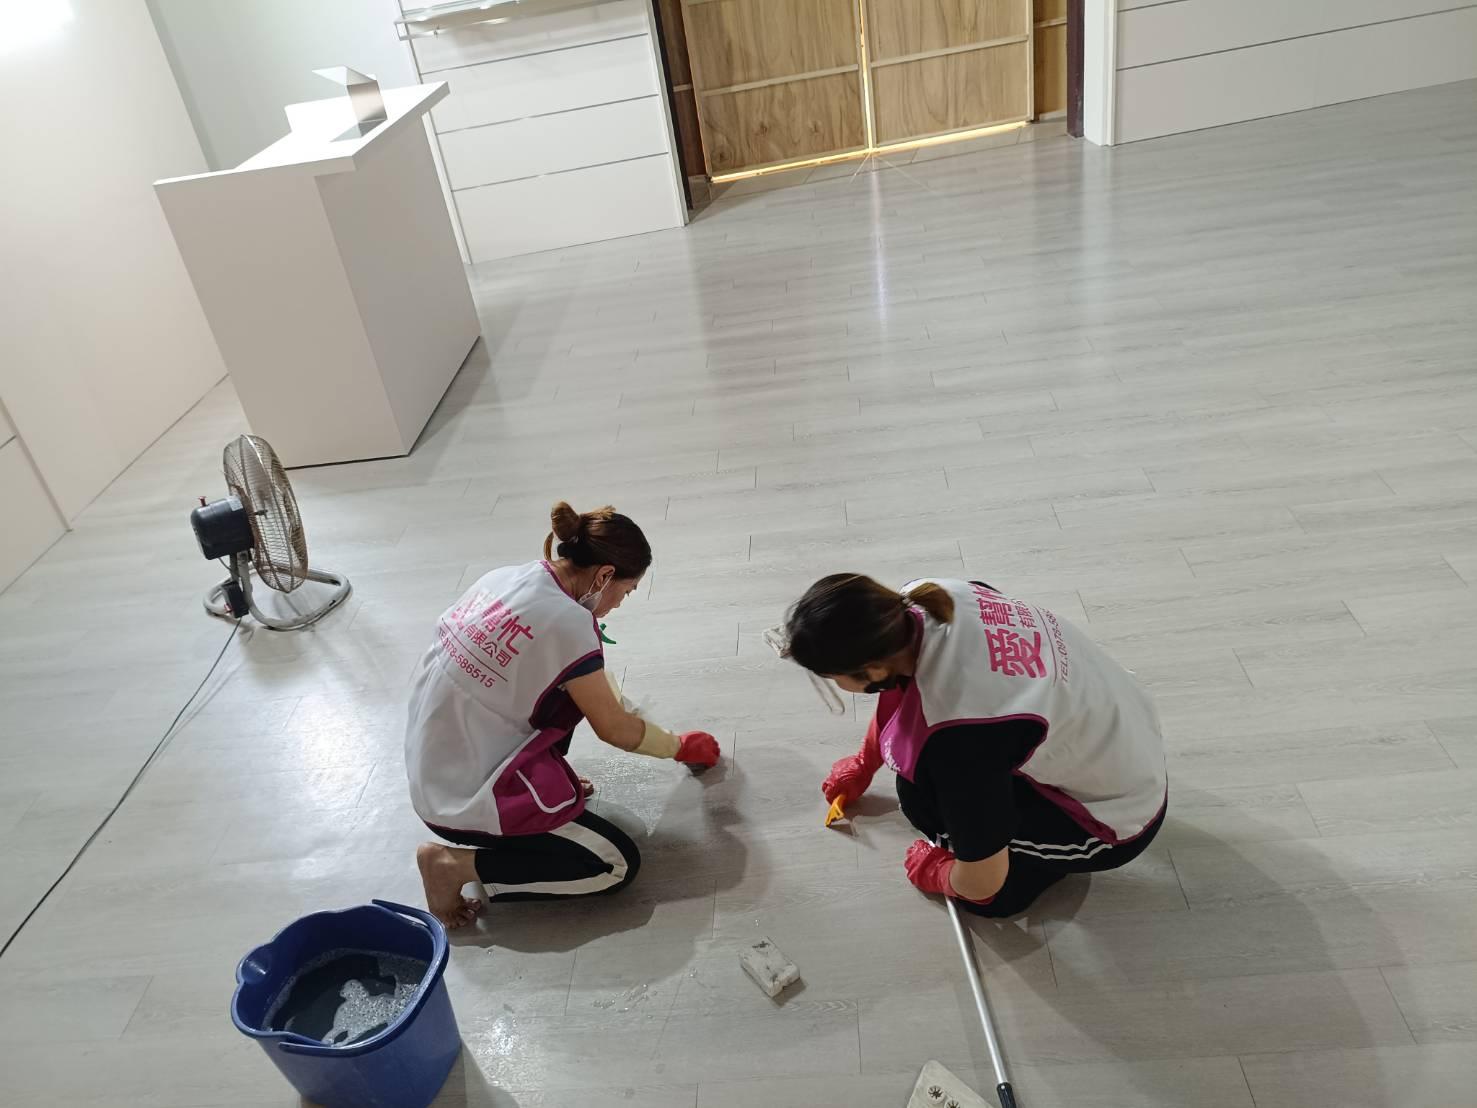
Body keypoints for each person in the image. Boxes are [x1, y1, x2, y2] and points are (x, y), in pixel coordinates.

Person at [406, 501, 721, 928]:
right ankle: (452, 865)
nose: (619, 604)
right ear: (604, 575)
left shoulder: (506, 577)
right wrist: (679, 746)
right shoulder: (569, 624)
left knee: (558, 690)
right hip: (463, 801)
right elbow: (614, 728)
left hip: (431, 766)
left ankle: (534, 786)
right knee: (615, 865)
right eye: (626, 591)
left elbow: (589, 686)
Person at [782, 574, 1166, 917]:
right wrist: (864, 762)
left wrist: (941, 873)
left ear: (873, 668)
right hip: (1122, 740)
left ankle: (1027, 879)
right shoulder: (929, 597)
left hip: (1111, 822)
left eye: (831, 677)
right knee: (923, 777)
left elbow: (981, 881)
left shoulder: (959, 741)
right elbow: (902, 696)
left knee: (924, 806)